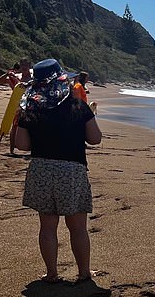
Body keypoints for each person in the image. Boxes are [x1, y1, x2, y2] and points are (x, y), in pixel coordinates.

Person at [15, 59, 102, 282]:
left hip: (41, 169)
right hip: (71, 170)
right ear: (63, 80)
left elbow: (22, 146)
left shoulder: (29, 109)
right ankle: (83, 273)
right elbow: (95, 139)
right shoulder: (77, 105)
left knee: (47, 227)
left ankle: (51, 273)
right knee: (78, 227)